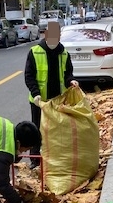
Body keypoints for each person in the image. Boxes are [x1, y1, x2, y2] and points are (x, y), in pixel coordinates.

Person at [24, 21, 79, 168]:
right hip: (39, 101)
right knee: (37, 129)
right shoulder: (35, 52)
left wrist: (72, 81)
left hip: (57, 100)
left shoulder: (64, 53)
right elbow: (29, 76)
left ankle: (54, 156)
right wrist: (35, 94)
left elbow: (68, 74)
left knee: (57, 129)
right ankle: (35, 159)